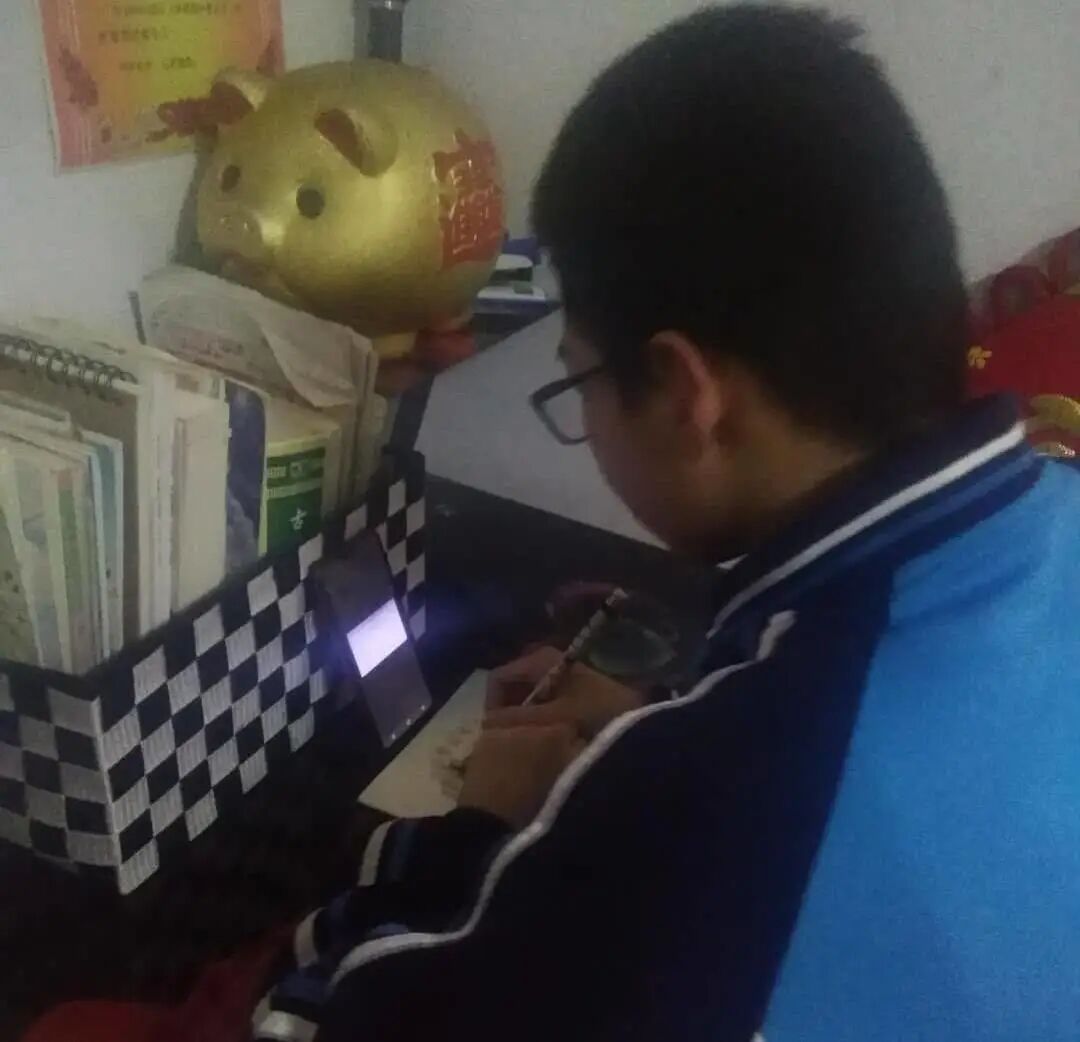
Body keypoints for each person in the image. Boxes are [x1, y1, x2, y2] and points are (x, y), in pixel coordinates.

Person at [254, 6, 1080, 1040]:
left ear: (687, 394)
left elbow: (306, 1024)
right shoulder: (1053, 505)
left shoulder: (703, 805)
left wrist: (484, 825)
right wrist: (674, 719)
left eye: (577, 382)